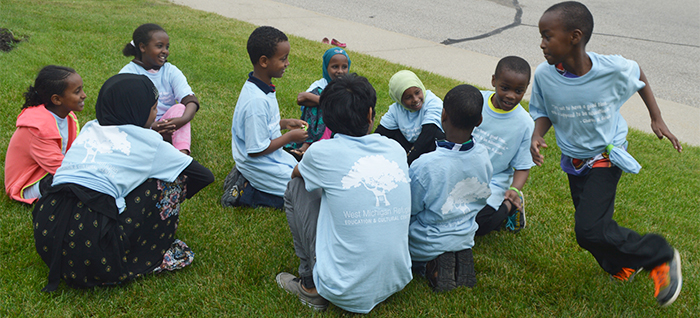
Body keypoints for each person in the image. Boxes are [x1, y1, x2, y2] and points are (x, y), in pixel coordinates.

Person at [530, 1, 683, 307]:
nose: (542, 43)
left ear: (575, 36)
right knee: (595, 227)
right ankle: (622, 265)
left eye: (548, 36)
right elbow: (545, 110)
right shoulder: (544, 76)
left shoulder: (609, 69)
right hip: (574, 160)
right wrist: (537, 134)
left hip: (606, 156)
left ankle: (660, 253)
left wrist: (656, 117)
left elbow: (638, 72)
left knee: (587, 230)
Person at [32, 73, 214, 292]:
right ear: (138, 111)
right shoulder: (151, 144)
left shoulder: (91, 128)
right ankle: (152, 247)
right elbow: (204, 176)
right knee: (170, 181)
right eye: (154, 108)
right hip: (97, 252)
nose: (156, 114)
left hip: (48, 230)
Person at [276, 73, 412, 313]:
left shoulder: (320, 152)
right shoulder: (395, 149)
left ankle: (310, 286)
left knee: (296, 187)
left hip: (340, 289)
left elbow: (296, 173)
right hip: (395, 281)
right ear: (371, 114)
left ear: (327, 120)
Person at [409, 84, 492, 292]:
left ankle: (429, 264)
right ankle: (457, 251)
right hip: (466, 234)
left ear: (443, 114)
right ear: (479, 121)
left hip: (426, 239)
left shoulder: (425, 165)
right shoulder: (483, 155)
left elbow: (411, 207)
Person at [225, 26, 307, 209]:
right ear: (264, 61)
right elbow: (255, 150)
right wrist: (290, 137)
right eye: (283, 59)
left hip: (270, 157)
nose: (287, 63)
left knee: (304, 178)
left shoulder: (262, 86)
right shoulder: (256, 101)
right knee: (302, 195)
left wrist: (284, 124)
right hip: (258, 162)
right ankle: (245, 191)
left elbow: (259, 127)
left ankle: (249, 180)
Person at [5, 65, 85, 204]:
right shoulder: (38, 129)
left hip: (50, 169)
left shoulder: (68, 116)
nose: (84, 95)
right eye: (77, 91)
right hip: (29, 184)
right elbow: (62, 169)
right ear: (57, 100)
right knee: (76, 184)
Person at [472, 56, 534, 236]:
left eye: (519, 91)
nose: (511, 95)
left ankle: (512, 205)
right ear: (493, 81)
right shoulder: (477, 100)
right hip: (463, 172)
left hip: (494, 181)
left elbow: (522, 166)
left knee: (479, 226)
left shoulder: (525, 124)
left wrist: (514, 189)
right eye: (505, 88)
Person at [120, 23, 199, 155]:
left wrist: (182, 120)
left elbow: (190, 100)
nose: (165, 51)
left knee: (180, 108)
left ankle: (181, 156)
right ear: (142, 47)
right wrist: (150, 126)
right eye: (159, 46)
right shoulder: (128, 74)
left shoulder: (170, 71)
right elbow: (124, 112)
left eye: (167, 47)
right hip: (140, 128)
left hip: (169, 126)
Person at [287, 47, 351, 159]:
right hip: (318, 124)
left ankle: (314, 145)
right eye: (335, 67)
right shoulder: (321, 84)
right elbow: (301, 99)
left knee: (324, 99)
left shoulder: (349, 86)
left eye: (344, 67)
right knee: (319, 94)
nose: (340, 71)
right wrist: (327, 101)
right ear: (326, 68)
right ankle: (307, 145)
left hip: (341, 125)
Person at [374, 70, 445, 164]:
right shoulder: (396, 109)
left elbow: (427, 135)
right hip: (410, 146)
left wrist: (408, 162)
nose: (415, 99)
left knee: (436, 134)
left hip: (431, 148)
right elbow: (380, 135)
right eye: (408, 97)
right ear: (399, 99)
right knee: (389, 138)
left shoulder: (433, 102)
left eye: (417, 92)